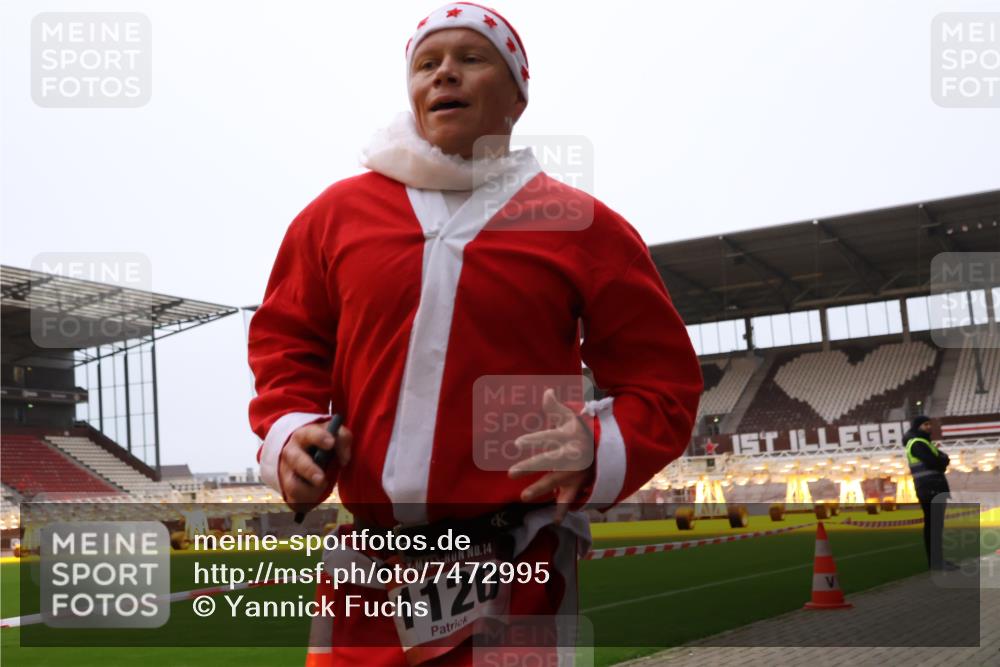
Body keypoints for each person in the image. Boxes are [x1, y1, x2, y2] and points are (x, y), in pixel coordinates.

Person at [248, 3, 703, 664]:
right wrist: (291, 430)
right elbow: (287, 342)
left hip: (514, 562)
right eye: (426, 64)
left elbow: (663, 383)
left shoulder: (583, 226)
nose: (444, 76)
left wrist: (594, 446)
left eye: (469, 58)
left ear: (518, 94)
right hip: (367, 568)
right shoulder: (332, 217)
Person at [903, 415, 957, 571]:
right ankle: (936, 563)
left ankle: (938, 562)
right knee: (933, 526)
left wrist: (942, 460)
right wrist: (942, 460)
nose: (929, 427)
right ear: (917, 426)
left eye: (929, 424)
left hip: (932, 487)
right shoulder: (918, 443)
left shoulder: (924, 443)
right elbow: (937, 462)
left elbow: (942, 459)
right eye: (925, 424)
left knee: (935, 526)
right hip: (930, 488)